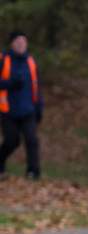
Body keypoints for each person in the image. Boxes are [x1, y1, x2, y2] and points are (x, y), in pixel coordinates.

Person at [0, 30, 43, 179]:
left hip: (28, 109)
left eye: (23, 42)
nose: (21, 44)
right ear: (12, 43)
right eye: (18, 41)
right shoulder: (3, 59)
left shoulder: (31, 62)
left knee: (32, 140)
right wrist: (10, 84)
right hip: (8, 110)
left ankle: (33, 171)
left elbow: (36, 86)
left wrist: (39, 107)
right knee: (12, 141)